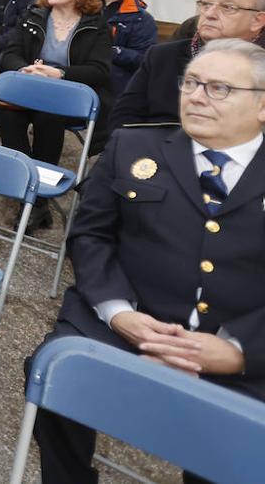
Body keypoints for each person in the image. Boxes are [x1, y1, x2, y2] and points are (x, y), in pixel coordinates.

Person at [28, 39, 265, 484]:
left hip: (241, 349)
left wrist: (237, 352)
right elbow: (91, 236)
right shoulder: (134, 147)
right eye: (191, 83)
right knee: (57, 372)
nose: (195, 96)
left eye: (219, 88)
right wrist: (119, 314)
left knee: (234, 443)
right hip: (131, 323)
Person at [0, 0, 113, 229]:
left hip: (70, 94)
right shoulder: (34, 16)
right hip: (29, 87)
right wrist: (24, 69)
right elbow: (9, 53)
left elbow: (100, 71)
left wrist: (59, 73)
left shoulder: (95, 25)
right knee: (8, 117)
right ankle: (33, 192)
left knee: (48, 116)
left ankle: (36, 198)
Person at [111, 0, 265, 130]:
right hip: (156, 148)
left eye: (228, 8)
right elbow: (124, 119)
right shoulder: (162, 56)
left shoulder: (260, 65)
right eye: (206, 4)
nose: (210, 14)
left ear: (257, 21)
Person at [98, 0, 157, 97]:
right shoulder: (83, 5)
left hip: (114, 85)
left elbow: (144, 58)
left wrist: (112, 51)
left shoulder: (140, 18)